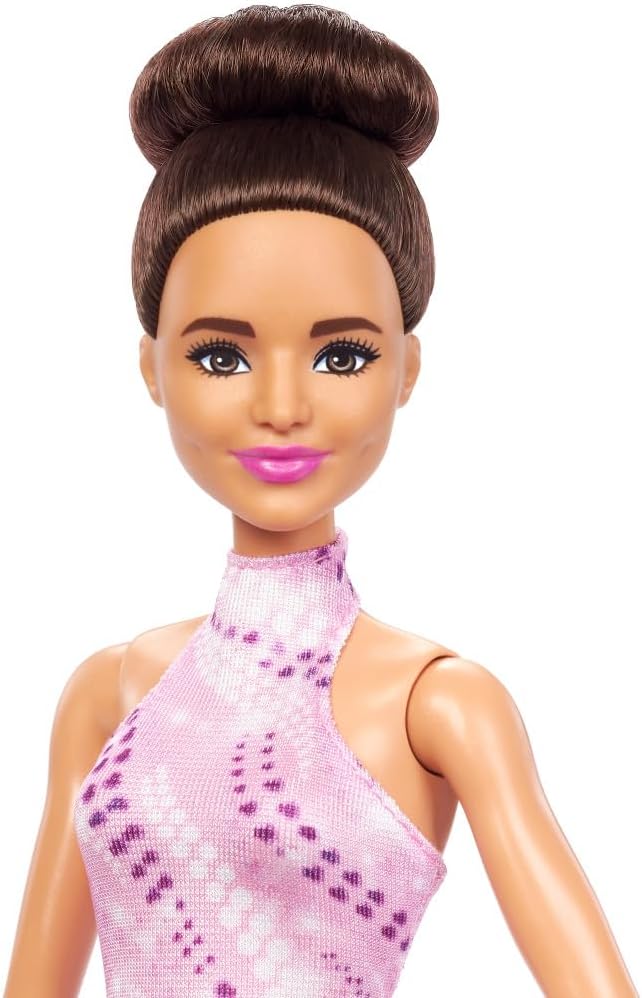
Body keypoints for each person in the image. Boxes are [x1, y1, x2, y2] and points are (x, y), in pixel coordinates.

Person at [4, 5, 637, 996]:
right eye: (221, 356)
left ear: (407, 369)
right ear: (152, 368)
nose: (282, 405)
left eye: (342, 355)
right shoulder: (107, 694)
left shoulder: (441, 703)